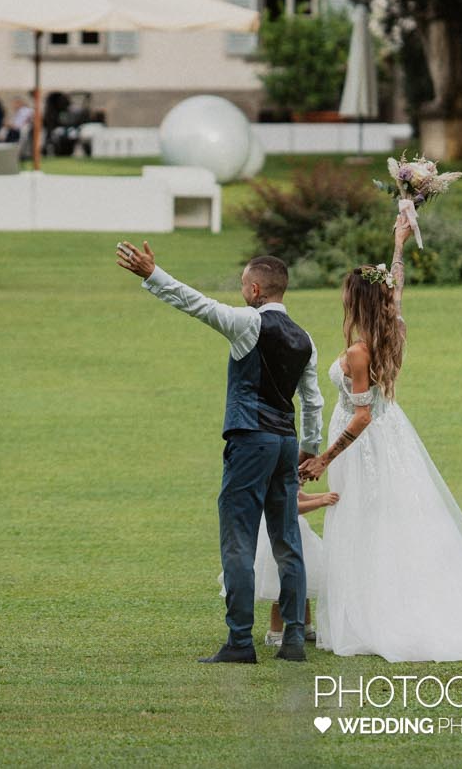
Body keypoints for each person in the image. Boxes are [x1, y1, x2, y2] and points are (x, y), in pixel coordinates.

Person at [300, 219, 462, 662]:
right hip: (393, 436)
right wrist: (398, 243)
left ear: (358, 302)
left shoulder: (359, 351)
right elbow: (396, 286)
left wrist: (326, 457)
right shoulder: (393, 328)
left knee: (364, 519)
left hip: (362, 444)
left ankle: (374, 614)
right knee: (387, 518)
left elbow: (362, 414)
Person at [116, 240, 323, 664]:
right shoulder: (306, 339)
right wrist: (309, 448)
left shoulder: (248, 323)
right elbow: (314, 400)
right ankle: (295, 640)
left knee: (239, 540)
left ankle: (240, 643)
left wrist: (152, 274)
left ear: (255, 292)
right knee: (287, 541)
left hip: (250, 441)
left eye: (244, 285)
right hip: (286, 442)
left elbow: (197, 304)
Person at [219, 489, 340, 649]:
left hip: (299, 535)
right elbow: (291, 507)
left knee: (304, 583)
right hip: (280, 536)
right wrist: (321, 501)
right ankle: (274, 632)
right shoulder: (277, 481)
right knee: (281, 589)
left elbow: (302, 496)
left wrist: (327, 495)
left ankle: (305, 627)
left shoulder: (289, 476)